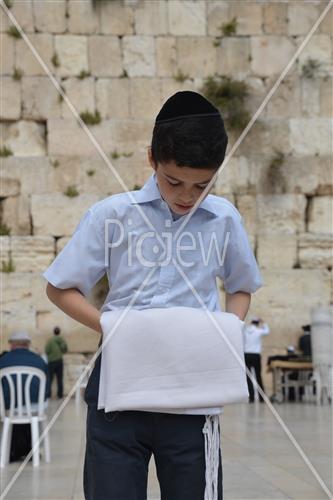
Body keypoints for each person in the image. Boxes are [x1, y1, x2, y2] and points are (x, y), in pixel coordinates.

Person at [43, 91, 262, 500]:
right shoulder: (111, 215)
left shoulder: (225, 219)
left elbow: (241, 285)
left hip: (193, 394)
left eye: (203, 185)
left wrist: (226, 329)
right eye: (174, 181)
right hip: (118, 393)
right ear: (152, 159)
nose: (187, 196)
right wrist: (113, 326)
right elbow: (60, 286)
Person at [0, 331, 50, 461]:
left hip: (9, 407)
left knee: (14, 407)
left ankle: (13, 449)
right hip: (34, 406)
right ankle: (29, 449)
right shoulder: (39, 360)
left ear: (11, 345)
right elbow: (47, 390)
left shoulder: (2, 360)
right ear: (28, 344)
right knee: (31, 409)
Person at [243, 316, 270, 402]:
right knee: (258, 376)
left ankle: (251, 398)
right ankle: (261, 398)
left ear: (251, 323)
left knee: (248, 377)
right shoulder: (259, 331)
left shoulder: (245, 330)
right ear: (257, 324)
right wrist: (264, 322)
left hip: (246, 355)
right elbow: (267, 331)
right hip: (256, 355)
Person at [45, 326, 68, 399]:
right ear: (59, 332)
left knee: (50, 379)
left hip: (51, 361)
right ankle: (60, 395)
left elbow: (47, 350)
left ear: (54, 332)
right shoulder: (62, 340)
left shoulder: (50, 340)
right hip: (59, 361)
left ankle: (48, 395)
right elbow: (65, 350)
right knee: (59, 379)